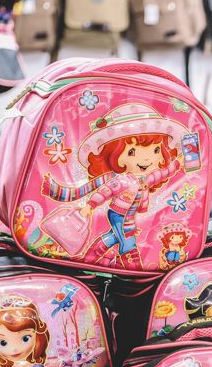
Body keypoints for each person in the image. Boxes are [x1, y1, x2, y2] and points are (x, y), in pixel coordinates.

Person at [42, 103, 186, 269]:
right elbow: (105, 191)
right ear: (112, 155)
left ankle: (89, 258)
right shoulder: (121, 180)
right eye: (131, 152)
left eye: (156, 150)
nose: (147, 159)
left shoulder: (145, 180)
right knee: (128, 240)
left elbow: (162, 173)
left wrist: (178, 164)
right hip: (118, 215)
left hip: (128, 216)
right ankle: (133, 267)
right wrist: (90, 205)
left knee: (112, 237)